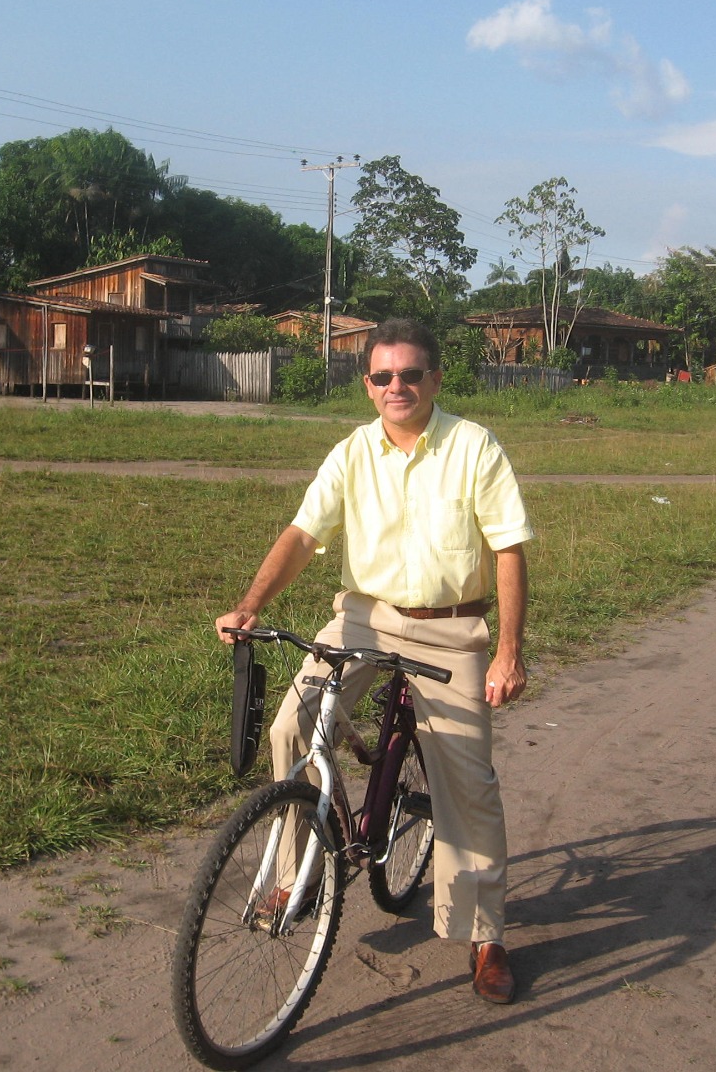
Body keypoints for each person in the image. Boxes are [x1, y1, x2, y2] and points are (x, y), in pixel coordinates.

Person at [215, 318, 531, 1004]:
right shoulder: (353, 452)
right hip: (362, 617)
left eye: (411, 374)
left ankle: (485, 936)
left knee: (468, 786)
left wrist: (507, 652)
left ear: (435, 379)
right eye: (383, 376)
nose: (397, 386)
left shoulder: (474, 447)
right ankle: (296, 882)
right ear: (367, 385)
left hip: (450, 630)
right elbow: (303, 533)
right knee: (291, 728)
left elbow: (509, 550)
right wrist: (251, 604)